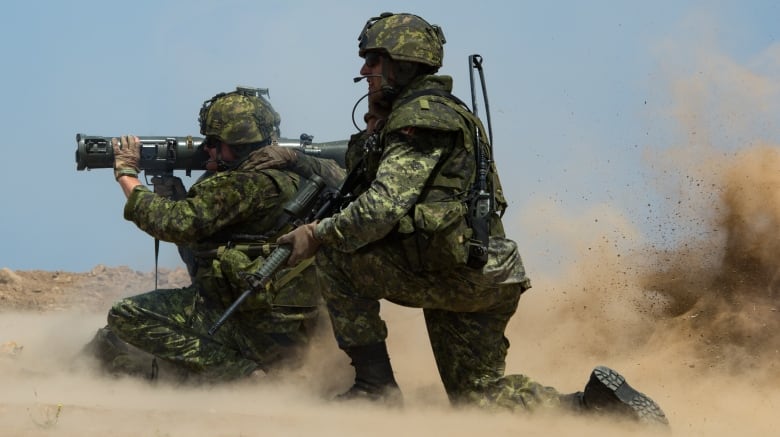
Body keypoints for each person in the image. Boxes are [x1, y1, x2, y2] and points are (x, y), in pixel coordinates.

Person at [277, 12, 669, 426]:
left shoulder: (421, 117)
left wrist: (317, 233)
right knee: (480, 401)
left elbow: (381, 208)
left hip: (455, 273)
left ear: (402, 63)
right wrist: (370, 132)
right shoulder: (430, 113)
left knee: (336, 258)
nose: (364, 71)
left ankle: (375, 391)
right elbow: (369, 183)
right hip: (481, 274)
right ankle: (598, 410)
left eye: (373, 61)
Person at [85, 87, 345, 382]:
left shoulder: (243, 184)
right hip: (296, 330)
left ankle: (244, 374)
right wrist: (181, 199)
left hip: (249, 324)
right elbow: (208, 239)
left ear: (235, 144)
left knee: (126, 315)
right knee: (112, 343)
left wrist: (127, 175)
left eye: (214, 142)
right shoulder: (300, 175)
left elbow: (173, 223)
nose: (207, 148)